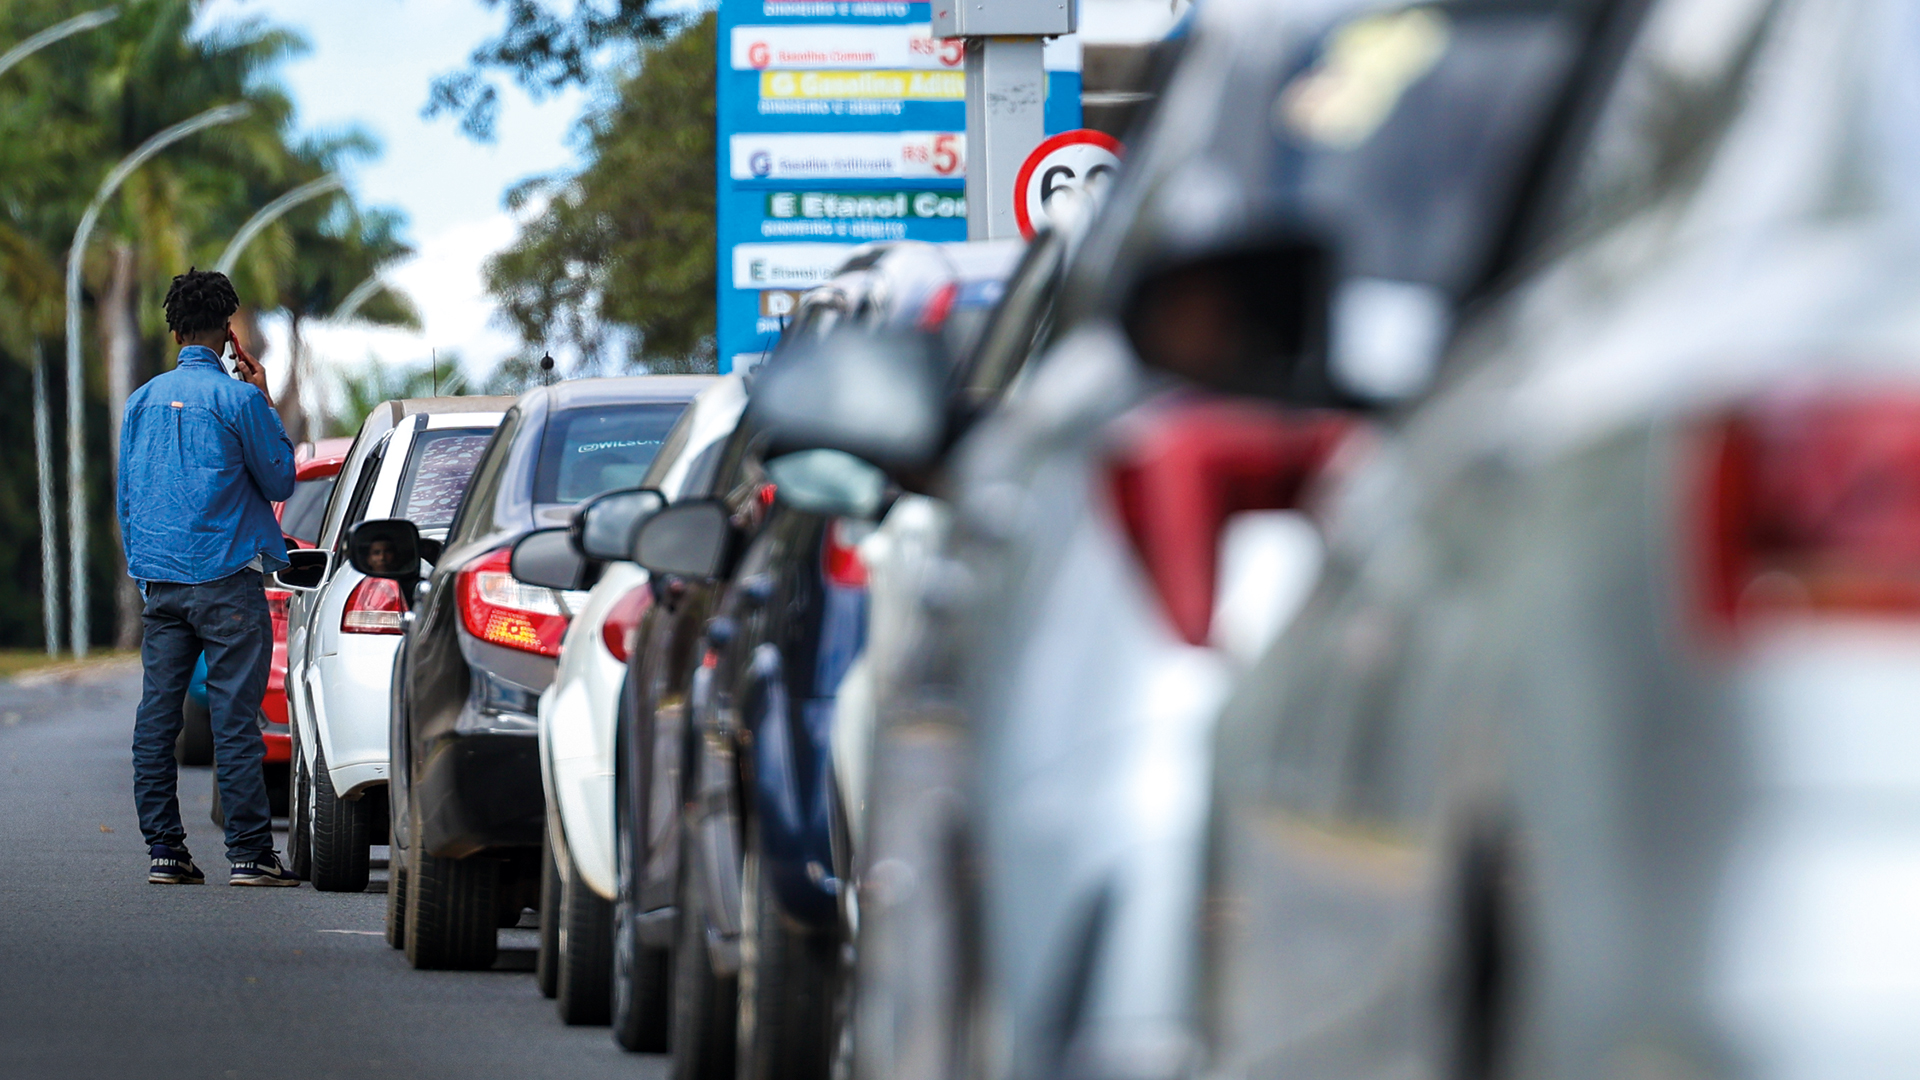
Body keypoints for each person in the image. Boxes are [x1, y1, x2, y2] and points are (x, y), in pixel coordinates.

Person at [118, 268, 301, 887]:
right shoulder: (240, 400)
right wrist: (265, 398)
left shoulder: (139, 402)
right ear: (229, 332)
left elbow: (129, 497)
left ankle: (165, 852)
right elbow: (279, 480)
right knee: (234, 720)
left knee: (157, 720)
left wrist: (144, 568)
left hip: (162, 580)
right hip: (228, 580)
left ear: (172, 333)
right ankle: (250, 855)